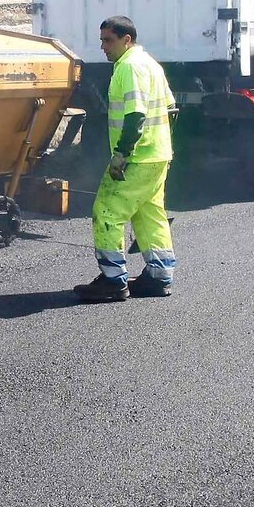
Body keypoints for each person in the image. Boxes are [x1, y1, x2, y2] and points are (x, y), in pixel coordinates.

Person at [75, 16, 177, 302]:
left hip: (136, 158)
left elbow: (136, 116)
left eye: (109, 40)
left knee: (107, 211)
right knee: (149, 215)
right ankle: (159, 277)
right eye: (102, 40)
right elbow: (171, 109)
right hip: (157, 155)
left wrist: (122, 154)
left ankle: (112, 281)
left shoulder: (130, 68)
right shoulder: (150, 64)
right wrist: (162, 147)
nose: (103, 47)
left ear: (126, 40)